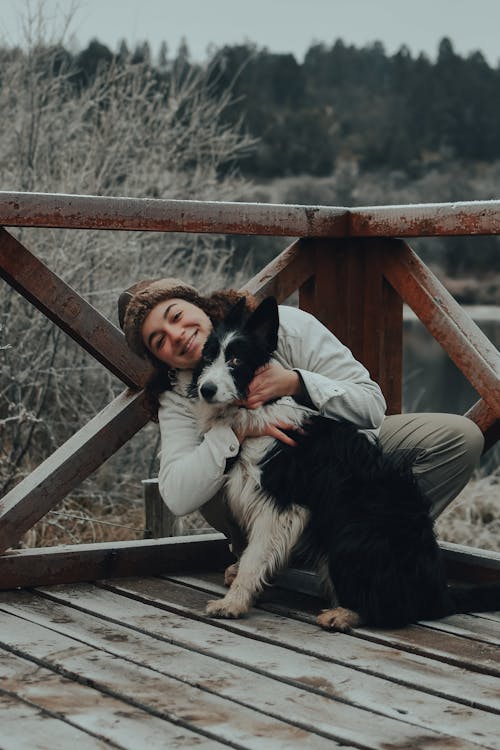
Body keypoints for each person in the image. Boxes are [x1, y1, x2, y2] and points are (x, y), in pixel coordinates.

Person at [118, 276, 485, 559]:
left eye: (176, 316)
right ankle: (276, 554)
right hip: (266, 503)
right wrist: (235, 432)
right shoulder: (176, 393)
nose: (177, 335)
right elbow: (178, 496)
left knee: (458, 437)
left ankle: (377, 546)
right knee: (210, 484)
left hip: (340, 466)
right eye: (158, 340)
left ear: (198, 305)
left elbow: (372, 406)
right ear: (160, 359)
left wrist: (297, 383)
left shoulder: (286, 326)